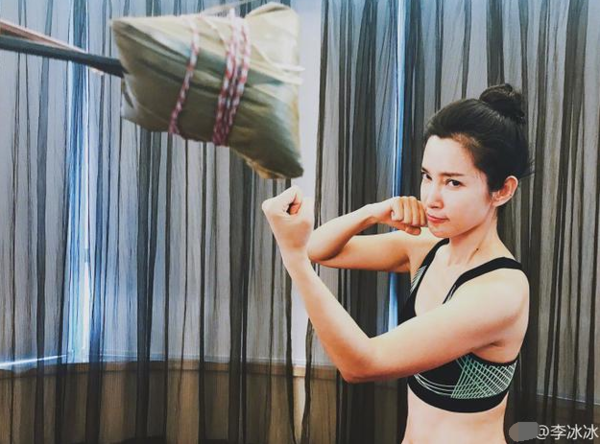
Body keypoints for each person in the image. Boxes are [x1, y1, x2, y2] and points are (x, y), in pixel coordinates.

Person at [261, 83, 532, 444]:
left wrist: (293, 259)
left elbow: (362, 364)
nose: (431, 198)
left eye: (453, 183)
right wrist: (373, 213)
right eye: (427, 176)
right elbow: (320, 249)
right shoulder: (426, 248)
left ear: (503, 190)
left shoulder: (500, 292)